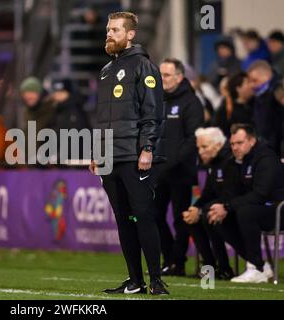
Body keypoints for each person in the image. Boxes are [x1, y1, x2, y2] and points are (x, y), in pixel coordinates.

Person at [89, 11, 168, 295]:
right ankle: (135, 280)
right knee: (123, 219)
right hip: (110, 157)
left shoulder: (144, 66)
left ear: (130, 34)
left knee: (144, 216)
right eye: (108, 29)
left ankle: (156, 279)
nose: (109, 34)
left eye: (115, 30)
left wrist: (147, 148)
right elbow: (102, 118)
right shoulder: (106, 70)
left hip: (135, 156)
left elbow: (153, 113)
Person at [207, 123, 284, 283]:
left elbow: (260, 195)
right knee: (218, 217)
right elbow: (237, 193)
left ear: (252, 141)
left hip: (278, 210)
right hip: (260, 209)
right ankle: (261, 265)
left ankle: (255, 268)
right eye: (233, 144)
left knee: (245, 212)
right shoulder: (241, 161)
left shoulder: (266, 158)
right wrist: (222, 207)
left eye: (240, 143)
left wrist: (228, 206)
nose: (235, 148)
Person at [155, 58, 204, 276]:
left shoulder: (191, 103)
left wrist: (171, 161)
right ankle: (169, 258)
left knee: (181, 219)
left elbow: (194, 138)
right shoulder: (156, 99)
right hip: (158, 170)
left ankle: (177, 262)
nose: (162, 79)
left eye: (166, 75)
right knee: (154, 215)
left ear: (179, 77)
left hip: (182, 172)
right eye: (160, 74)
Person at [182, 127, 239, 280]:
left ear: (218, 145)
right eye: (198, 148)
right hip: (217, 206)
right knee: (191, 218)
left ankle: (224, 268)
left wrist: (200, 211)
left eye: (204, 147)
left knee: (208, 215)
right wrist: (195, 208)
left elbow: (229, 195)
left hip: (234, 207)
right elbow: (207, 194)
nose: (200, 152)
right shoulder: (213, 163)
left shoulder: (230, 161)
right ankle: (209, 266)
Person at [247, 60, 283, 156]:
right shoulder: (259, 96)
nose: (251, 85)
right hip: (266, 148)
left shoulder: (279, 92)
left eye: (255, 80)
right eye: (249, 81)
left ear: (266, 76)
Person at [51, 78, 90, 162]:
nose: (58, 95)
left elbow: (77, 138)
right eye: (56, 92)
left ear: (68, 93)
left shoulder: (75, 111)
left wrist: (60, 155)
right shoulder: (57, 109)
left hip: (75, 160)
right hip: (62, 159)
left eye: (62, 92)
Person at [19, 76, 56, 165]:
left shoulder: (51, 110)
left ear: (39, 93)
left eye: (32, 92)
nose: (28, 96)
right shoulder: (29, 112)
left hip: (47, 164)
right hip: (32, 162)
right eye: (25, 93)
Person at [213, 72, 254, 137]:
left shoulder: (254, 105)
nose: (252, 85)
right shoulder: (226, 109)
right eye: (248, 83)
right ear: (238, 88)